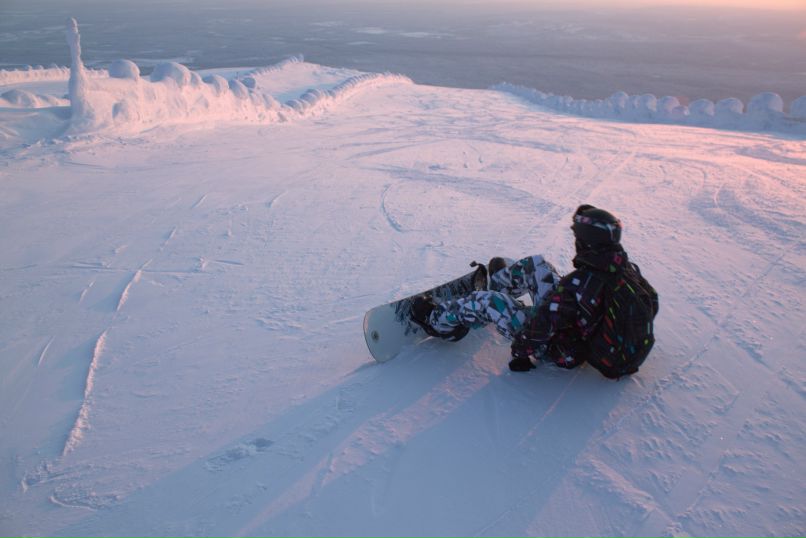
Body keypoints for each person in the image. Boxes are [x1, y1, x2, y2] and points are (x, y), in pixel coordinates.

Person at [410, 204, 659, 378]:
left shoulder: (577, 285)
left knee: (489, 302)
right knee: (536, 265)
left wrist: (522, 354)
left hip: (562, 349)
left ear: (586, 242)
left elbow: (538, 327)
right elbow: (652, 302)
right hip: (578, 333)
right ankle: (501, 281)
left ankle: (438, 322)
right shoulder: (625, 269)